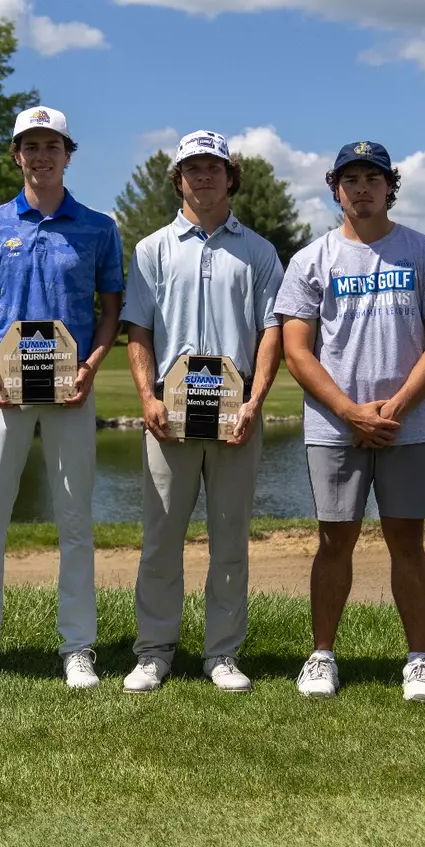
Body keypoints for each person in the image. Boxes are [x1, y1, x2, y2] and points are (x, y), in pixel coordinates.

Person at [0, 106, 123, 689]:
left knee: (75, 522)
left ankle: (77, 648)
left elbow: (112, 308)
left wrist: (93, 366)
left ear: (68, 153)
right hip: (5, 388)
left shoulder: (98, 226)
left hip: (72, 389)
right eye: (30, 146)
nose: (41, 155)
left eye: (52, 145)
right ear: (16, 155)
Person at [276, 141, 425, 703]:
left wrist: (395, 407)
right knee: (335, 540)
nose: (361, 188)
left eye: (372, 178)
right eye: (350, 179)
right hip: (336, 427)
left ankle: (419, 660)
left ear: (389, 187)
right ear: (336, 188)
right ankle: (322, 656)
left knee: (408, 541)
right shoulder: (312, 260)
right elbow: (297, 351)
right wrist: (349, 410)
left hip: (408, 424)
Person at [119, 131, 284, 694]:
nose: (203, 177)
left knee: (230, 537)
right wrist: (146, 396)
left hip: (237, 410)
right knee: (161, 536)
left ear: (230, 175)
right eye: (192, 168)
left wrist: (257, 402)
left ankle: (221, 654)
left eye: (213, 167)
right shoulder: (151, 249)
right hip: (170, 409)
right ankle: (154, 651)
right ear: (179, 179)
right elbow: (137, 330)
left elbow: (272, 334)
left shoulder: (259, 252)